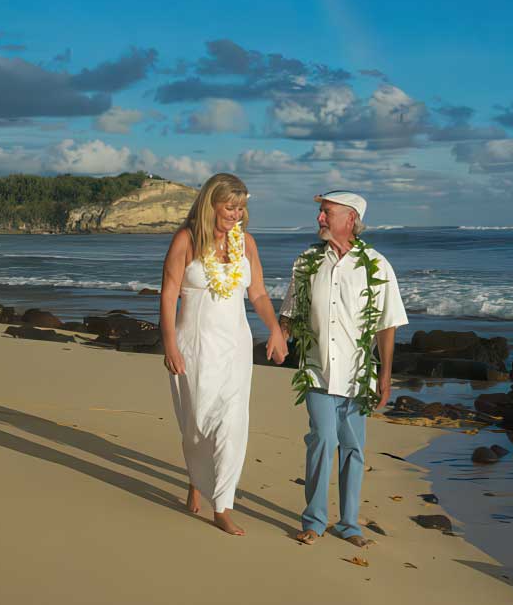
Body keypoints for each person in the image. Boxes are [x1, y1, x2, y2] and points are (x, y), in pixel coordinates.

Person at [160, 173, 288, 536]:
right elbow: (169, 294)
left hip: (236, 345)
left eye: (241, 207)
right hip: (195, 345)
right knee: (197, 424)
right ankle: (196, 479)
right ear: (210, 204)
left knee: (233, 422)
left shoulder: (245, 243)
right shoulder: (186, 240)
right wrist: (168, 342)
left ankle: (223, 505)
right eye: (230, 206)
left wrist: (275, 329)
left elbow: (259, 293)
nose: (237, 214)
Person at [279, 190, 407, 547]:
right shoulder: (306, 262)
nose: (320, 218)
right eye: (321, 212)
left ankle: (349, 523)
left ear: (350, 219)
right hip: (317, 371)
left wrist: (385, 375)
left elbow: (387, 324)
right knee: (322, 439)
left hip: (358, 375)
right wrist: (277, 338)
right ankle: (315, 520)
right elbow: (289, 313)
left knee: (353, 447)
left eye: (327, 212)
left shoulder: (376, 265)